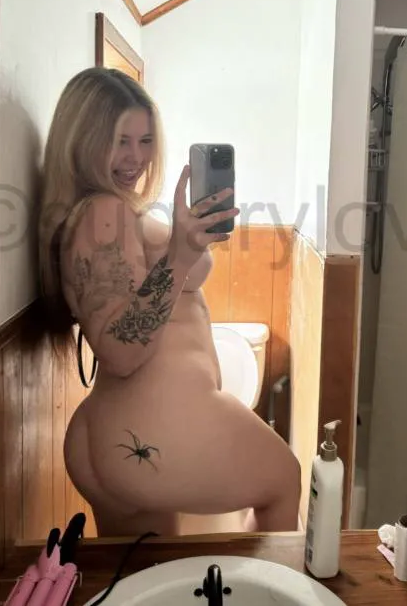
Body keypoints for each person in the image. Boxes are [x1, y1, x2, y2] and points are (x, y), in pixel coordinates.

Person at [38, 67, 301, 537]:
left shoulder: (99, 209)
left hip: (125, 436)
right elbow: (120, 352)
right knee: (283, 480)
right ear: (83, 139)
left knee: (147, 570)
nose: (135, 157)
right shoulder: (104, 212)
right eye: (120, 141)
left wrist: (189, 244)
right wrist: (180, 253)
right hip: (154, 432)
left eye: (145, 141)